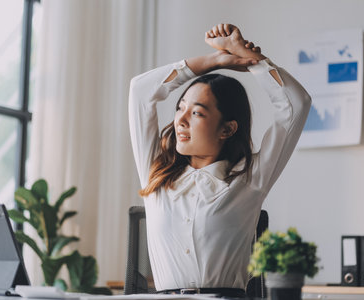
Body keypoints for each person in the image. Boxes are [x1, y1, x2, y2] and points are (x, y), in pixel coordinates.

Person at [128, 23, 311, 298]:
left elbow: (296, 104)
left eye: (197, 113)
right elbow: (140, 91)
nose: (181, 119)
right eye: (180, 108)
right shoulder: (155, 172)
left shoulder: (250, 178)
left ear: (227, 129)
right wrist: (214, 62)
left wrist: (252, 61)